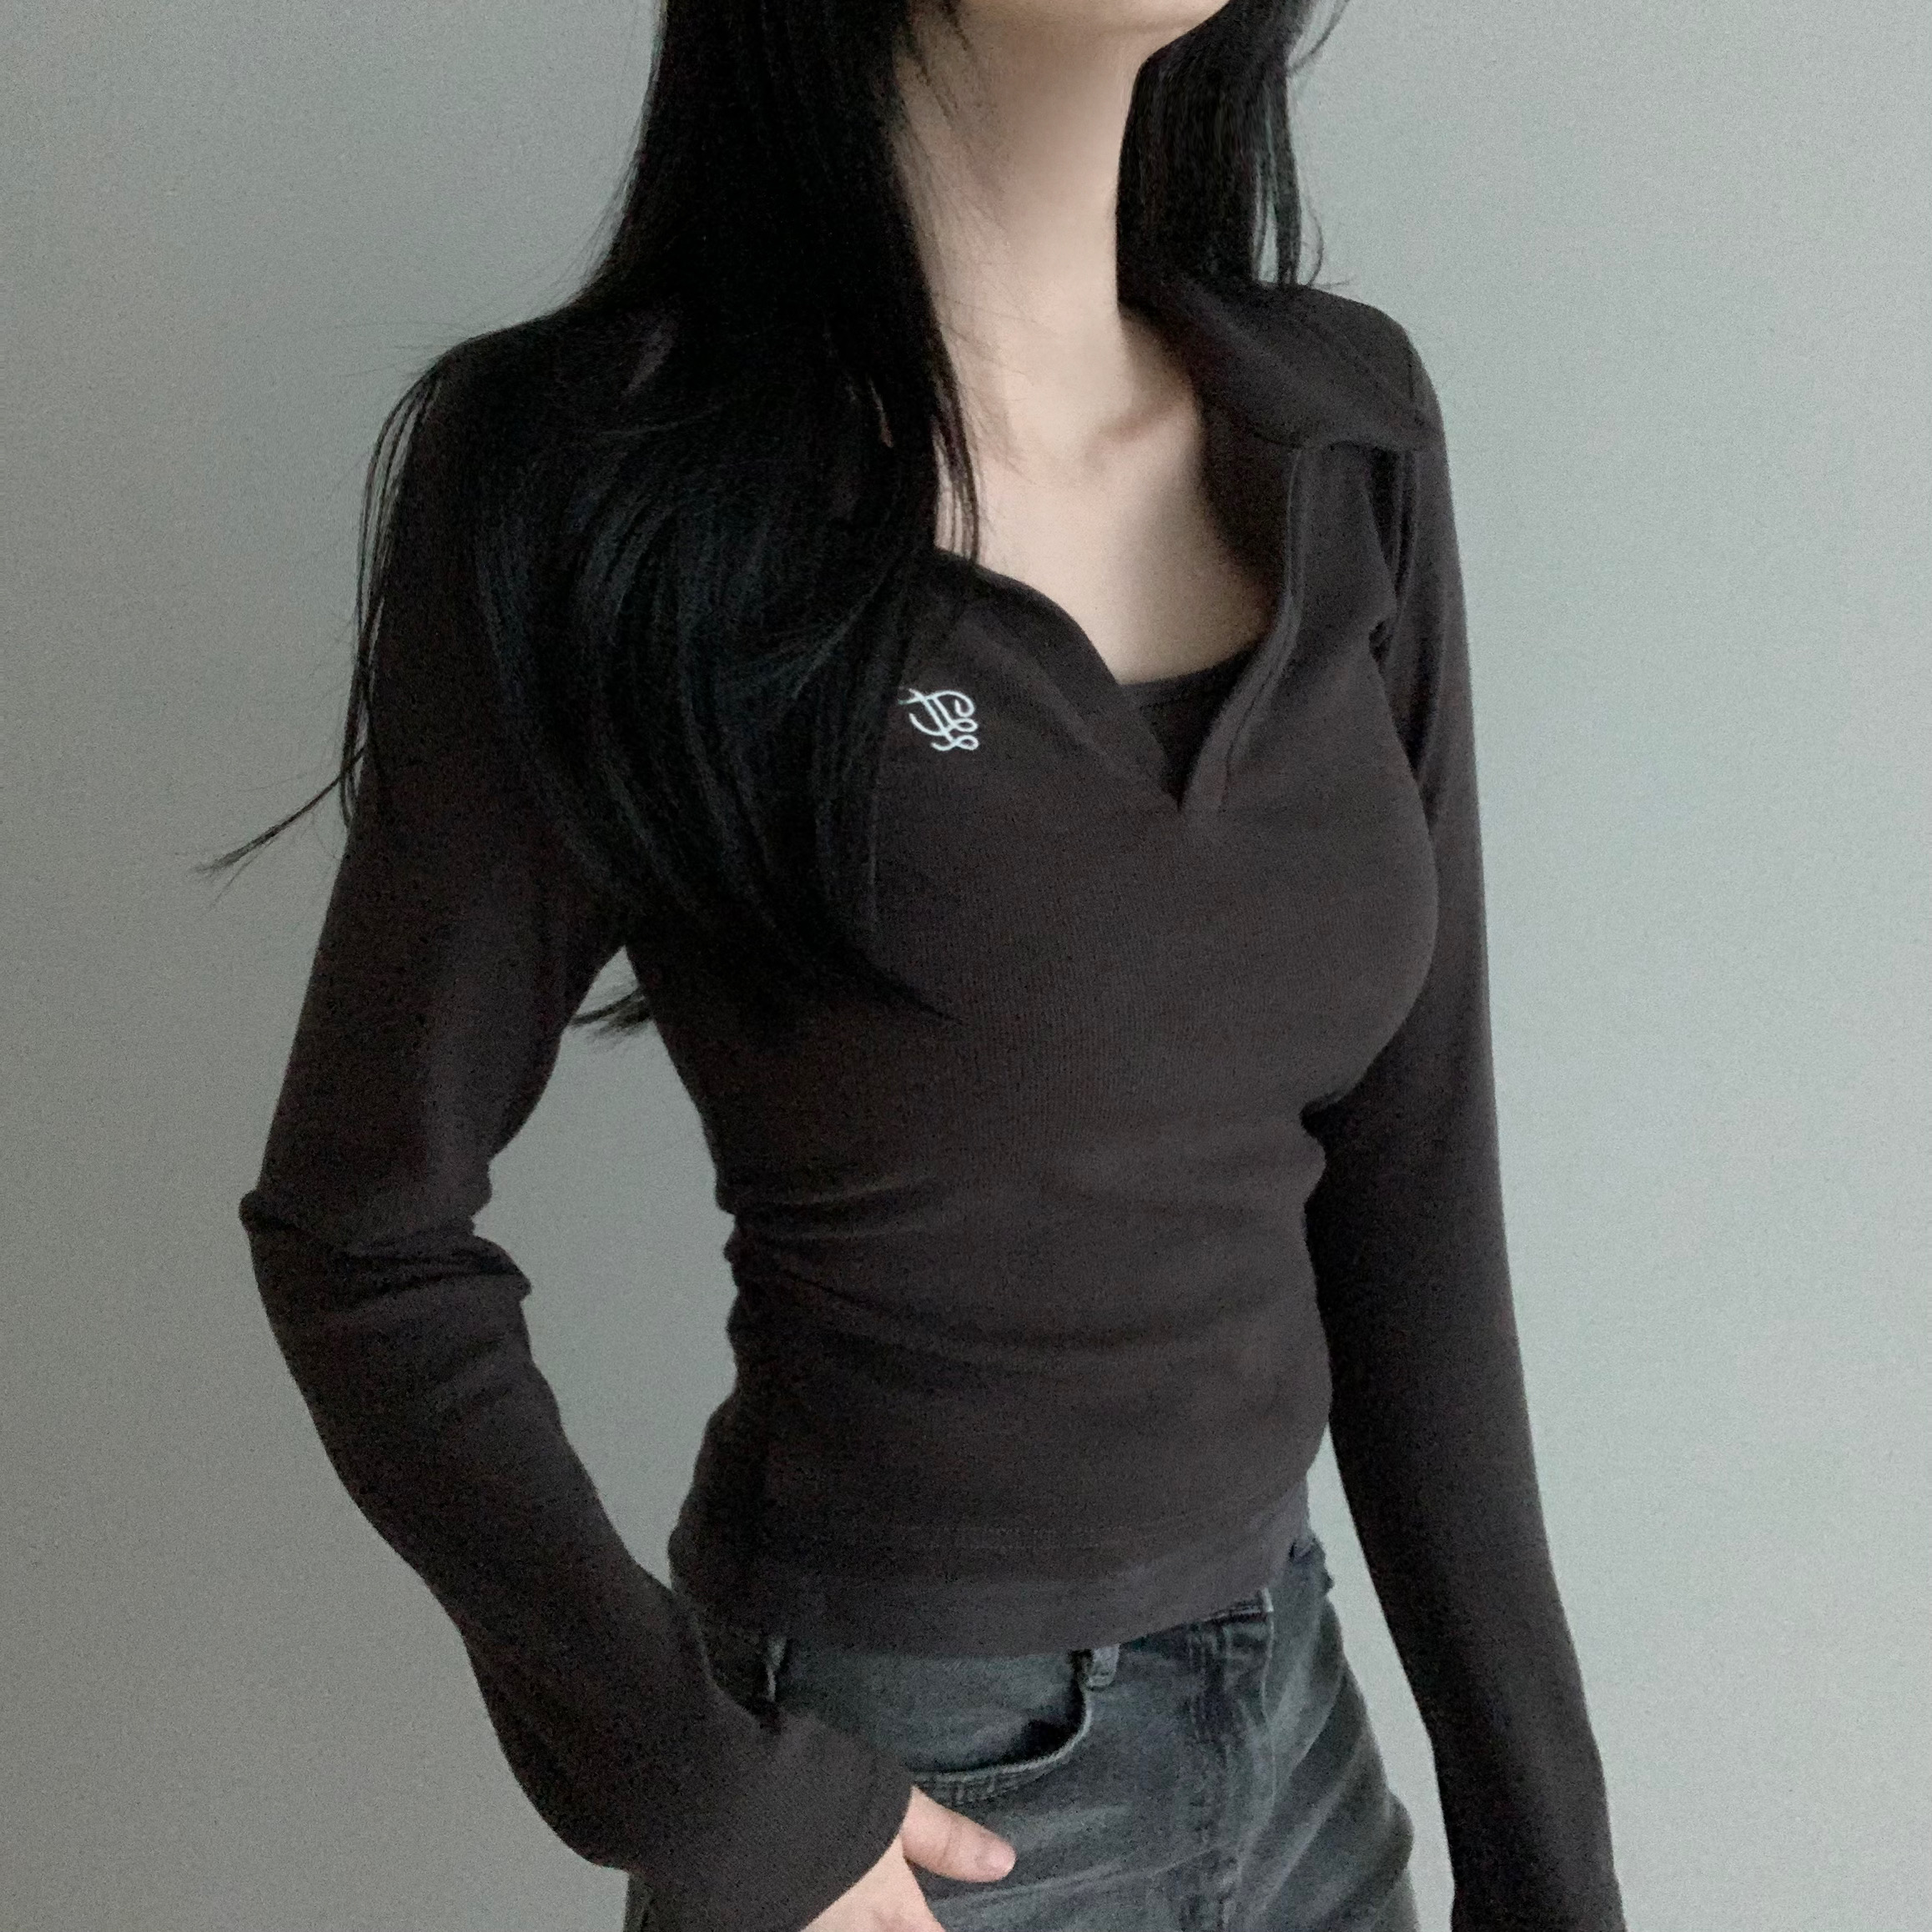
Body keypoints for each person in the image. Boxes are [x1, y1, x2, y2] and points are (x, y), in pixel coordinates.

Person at [210, 2, 1628, 1928]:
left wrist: (1547, 1857)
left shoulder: (1345, 430)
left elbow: (1414, 1187)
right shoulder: (608, 479)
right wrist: (692, 1783)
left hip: (1298, 1744)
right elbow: (359, 1230)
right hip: (911, 1802)